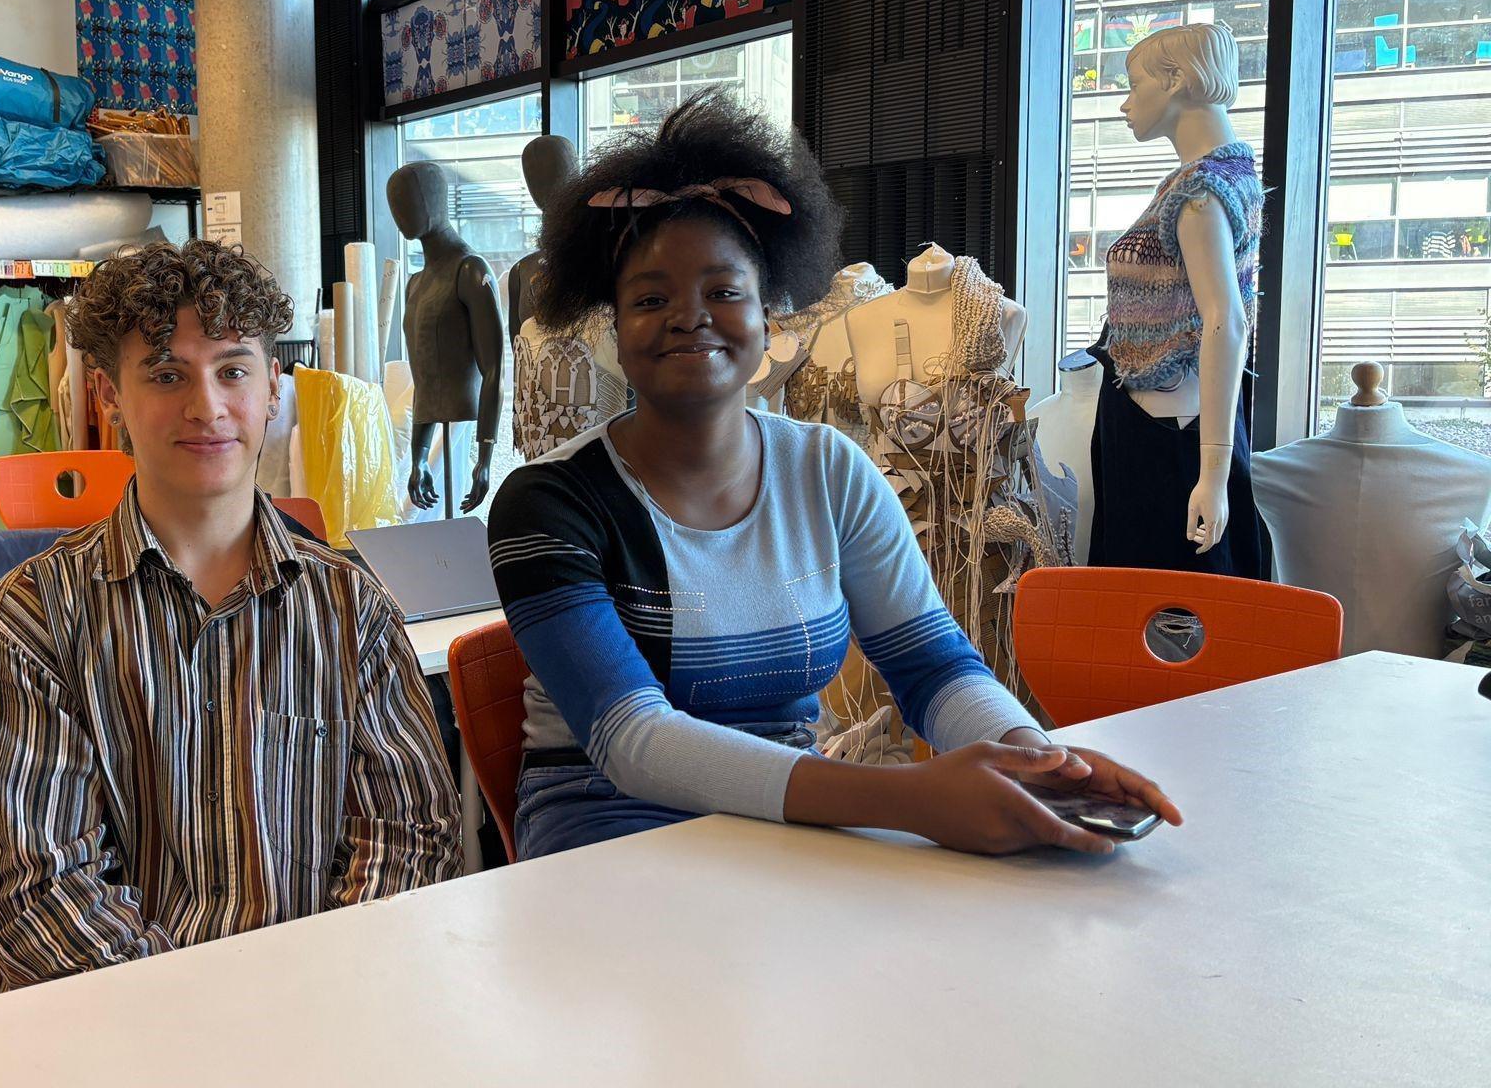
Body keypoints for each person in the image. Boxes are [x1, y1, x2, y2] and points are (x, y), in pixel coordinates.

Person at [488, 94, 1182, 860]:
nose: (690, 316)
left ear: (767, 315)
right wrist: (914, 801)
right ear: (613, 326)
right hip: (606, 835)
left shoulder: (829, 472)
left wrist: (1038, 763)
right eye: (650, 299)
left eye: (724, 291)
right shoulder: (547, 502)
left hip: (793, 828)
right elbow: (633, 741)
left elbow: (930, 665)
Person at [0, 240, 460, 992]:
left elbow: (410, 840)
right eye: (166, 374)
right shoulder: (31, 620)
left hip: (324, 1008)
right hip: (120, 1028)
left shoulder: (352, 609)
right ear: (107, 396)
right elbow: (36, 895)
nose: (206, 406)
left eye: (232, 370)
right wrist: (198, 1014)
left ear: (272, 390)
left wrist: (313, 990)